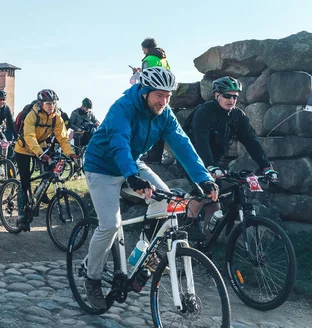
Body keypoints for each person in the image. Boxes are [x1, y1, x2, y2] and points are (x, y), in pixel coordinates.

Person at [82, 67, 219, 309]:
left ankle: (144, 253)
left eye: (168, 96)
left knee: (166, 203)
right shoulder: (123, 107)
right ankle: (91, 278)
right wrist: (132, 177)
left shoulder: (164, 114)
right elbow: (119, 142)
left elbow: (182, 144)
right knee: (110, 225)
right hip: (102, 167)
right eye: (159, 95)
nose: (164, 101)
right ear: (144, 91)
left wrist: (203, 178)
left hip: (132, 163)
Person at [183, 76, 279, 240]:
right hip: (192, 158)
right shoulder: (204, 112)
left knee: (215, 201)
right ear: (216, 95)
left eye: (235, 96)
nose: (232, 100)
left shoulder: (237, 116)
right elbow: (201, 141)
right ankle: (188, 225)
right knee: (204, 192)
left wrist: (266, 166)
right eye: (227, 95)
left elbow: (251, 141)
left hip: (213, 161)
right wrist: (210, 166)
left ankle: (206, 245)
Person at [13, 89, 78, 231]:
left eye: (53, 103)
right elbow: (29, 136)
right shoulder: (32, 116)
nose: (51, 106)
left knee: (50, 172)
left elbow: (62, 138)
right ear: (40, 103)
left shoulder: (56, 117)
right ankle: (21, 215)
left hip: (41, 148)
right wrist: (40, 154)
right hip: (23, 149)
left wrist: (71, 153)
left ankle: (39, 193)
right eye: (48, 103)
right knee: (25, 181)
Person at [137, 38, 171, 164]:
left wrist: (137, 74)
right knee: (160, 125)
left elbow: (145, 78)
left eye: (143, 49)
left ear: (146, 48)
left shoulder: (148, 59)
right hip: (163, 94)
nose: (143, 52)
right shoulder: (163, 59)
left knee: (148, 125)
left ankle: (150, 155)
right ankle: (157, 156)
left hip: (151, 95)